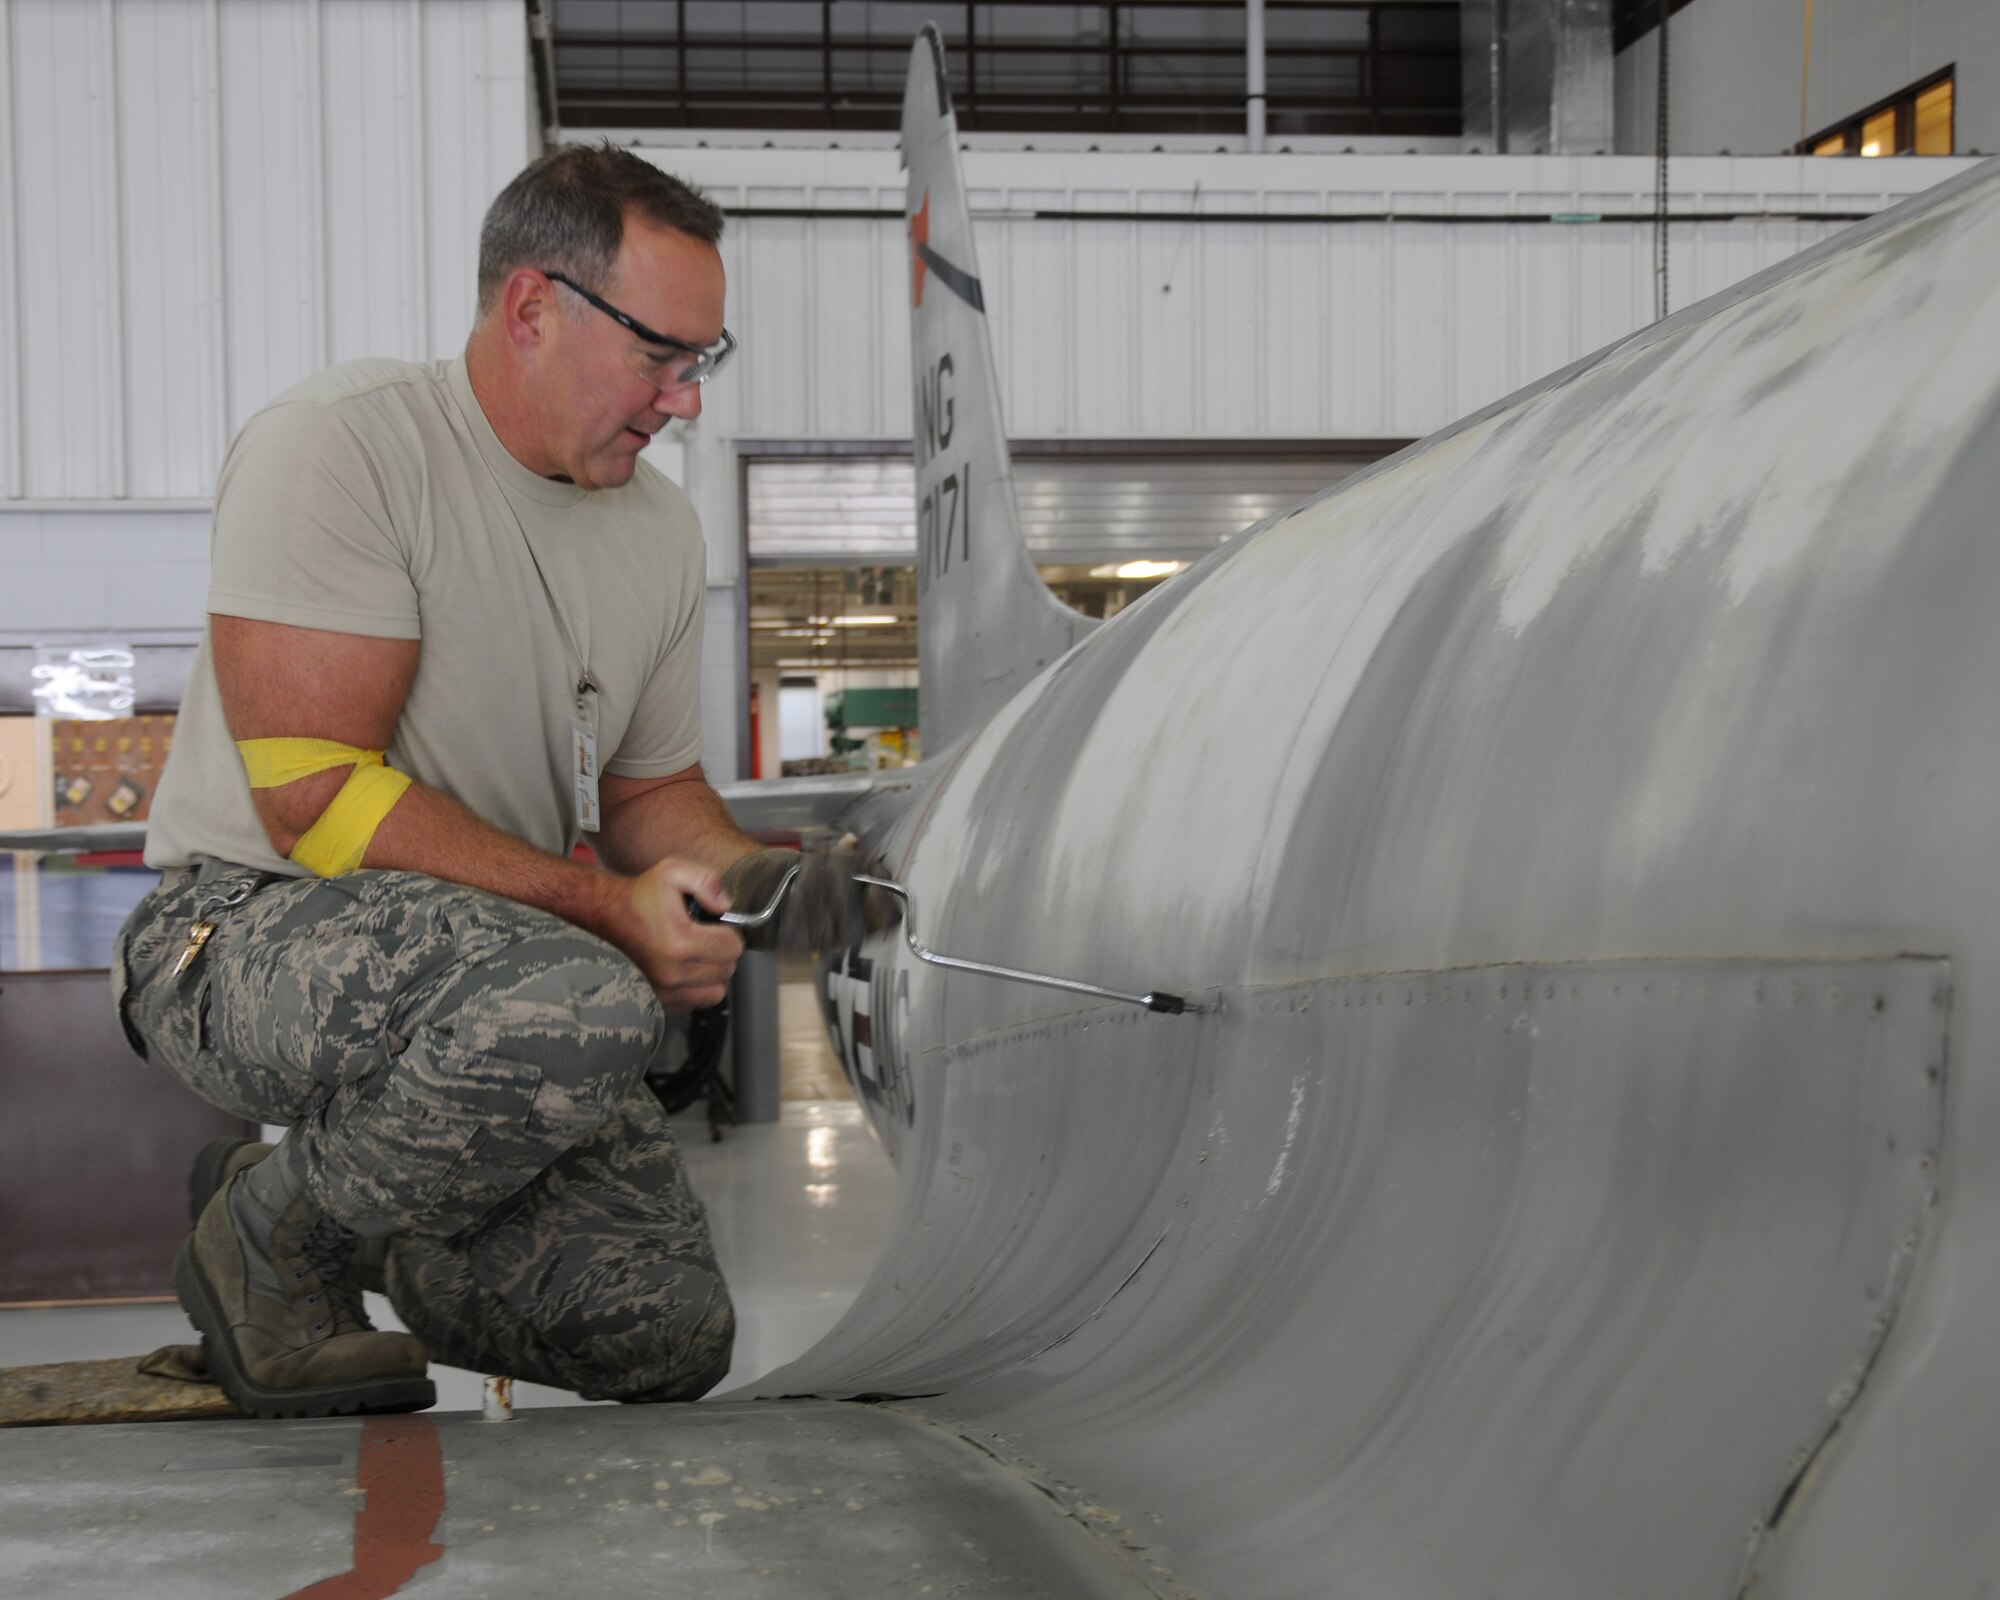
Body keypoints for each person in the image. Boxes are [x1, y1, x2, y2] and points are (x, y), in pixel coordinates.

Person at [112, 144, 835, 1419]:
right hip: (235, 935)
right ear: (532, 308)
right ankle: (270, 1245)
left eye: (701, 364)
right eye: (662, 356)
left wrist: (770, 881)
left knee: (661, 1338)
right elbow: (313, 795)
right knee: (578, 994)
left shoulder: (657, 532)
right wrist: (609, 911)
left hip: (500, 976)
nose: (685, 402)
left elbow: (650, 799)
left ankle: (353, 1206)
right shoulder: (343, 449)